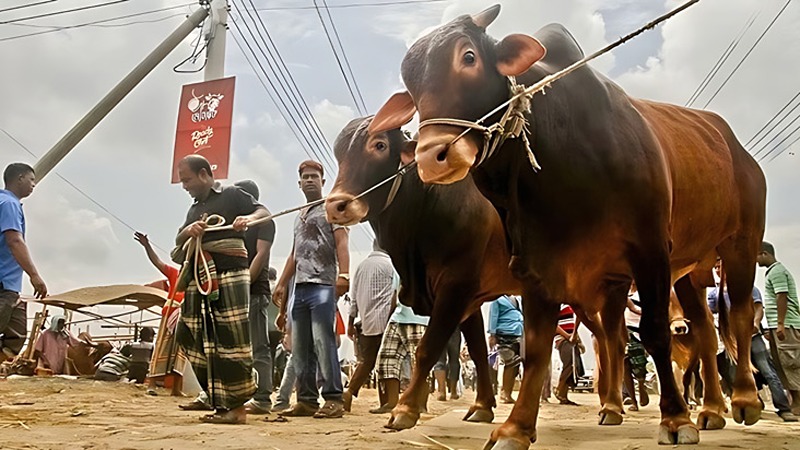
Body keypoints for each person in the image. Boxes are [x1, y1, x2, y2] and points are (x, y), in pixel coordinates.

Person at [172, 155, 269, 425]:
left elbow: (263, 212)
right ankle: (219, 401)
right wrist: (189, 231)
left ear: (204, 174)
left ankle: (236, 408)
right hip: (201, 276)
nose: (184, 186)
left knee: (232, 340)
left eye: (187, 180)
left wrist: (246, 219)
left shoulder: (232, 194)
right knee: (190, 333)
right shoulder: (193, 210)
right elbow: (177, 241)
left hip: (231, 272)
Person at [274, 160, 349, 419]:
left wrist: (345, 275)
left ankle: (333, 399)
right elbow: (294, 254)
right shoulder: (299, 216)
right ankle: (306, 400)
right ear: (299, 183)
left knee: (323, 340)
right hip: (301, 288)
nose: (309, 180)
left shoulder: (332, 208)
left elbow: (342, 242)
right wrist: (282, 283)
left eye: (314, 177)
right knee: (301, 346)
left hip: (323, 286)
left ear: (322, 182)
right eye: (305, 177)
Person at [709, 259, 797, 421]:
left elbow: (758, 308)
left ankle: (783, 408)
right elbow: (710, 314)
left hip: (752, 336)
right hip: (731, 340)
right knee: (732, 373)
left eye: (720, 267)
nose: (717, 270)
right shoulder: (715, 294)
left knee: (767, 371)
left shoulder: (747, 288)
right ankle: (751, 399)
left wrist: (756, 323)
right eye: (715, 268)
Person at [234, 180, 277, 415]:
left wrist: (243, 284)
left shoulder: (263, 221)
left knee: (258, 346)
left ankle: (262, 398)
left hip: (254, 291)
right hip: (237, 291)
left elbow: (261, 255)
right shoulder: (238, 223)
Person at [343, 240, 397, 411]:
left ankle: (350, 392)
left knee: (367, 361)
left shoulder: (361, 266)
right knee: (386, 362)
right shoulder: (391, 266)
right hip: (385, 322)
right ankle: (386, 402)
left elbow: (353, 297)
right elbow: (395, 296)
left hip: (366, 323)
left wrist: (351, 322)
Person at [0, 163, 47, 359]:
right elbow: (14, 240)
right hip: (3, 282)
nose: (33, 184)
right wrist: (34, 275)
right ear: (19, 178)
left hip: (11, 285)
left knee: (17, 336)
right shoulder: (8, 204)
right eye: (31, 179)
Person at [756, 242, 800, 416]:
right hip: (778, 325)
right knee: (782, 363)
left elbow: (782, 296)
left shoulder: (777, 272)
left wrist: (780, 323)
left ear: (764, 254)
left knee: (791, 362)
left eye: (757, 255)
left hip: (786, 324)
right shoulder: (773, 272)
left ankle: (797, 402)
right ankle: (794, 401)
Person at [370, 303, 428, 414]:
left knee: (420, 363)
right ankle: (392, 402)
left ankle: (420, 404)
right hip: (397, 318)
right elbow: (395, 294)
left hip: (419, 318)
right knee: (386, 361)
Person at [487, 295, 524, 404]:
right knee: (510, 362)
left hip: (518, 333)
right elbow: (493, 316)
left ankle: (507, 392)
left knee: (516, 364)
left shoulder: (517, 299)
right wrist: (492, 334)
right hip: (504, 333)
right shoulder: (497, 299)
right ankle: (505, 393)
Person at [622, 282, 649, 411]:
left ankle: (641, 385)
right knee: (625, 366)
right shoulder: (621, 292)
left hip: (639, 332)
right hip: (623, 332)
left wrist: (637, 310)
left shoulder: (644, 294)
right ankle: (633, 401)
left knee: (639, 365)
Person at [554, 303, 583, 406]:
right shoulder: (558, 305)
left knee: (573, 365)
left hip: (570, 338)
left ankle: (563, 395)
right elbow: (553, 324)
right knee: (569, 364)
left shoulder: (569, 305)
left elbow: (573, 322)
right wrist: (567, 336)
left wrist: (576, 337)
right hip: (563, 339)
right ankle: (559, 388)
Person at [433, 331, 462, 401]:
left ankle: (442, 392)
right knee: (454, 360)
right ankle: (453, 392)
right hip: (455, 328)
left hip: (439, 328)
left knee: (439, 360)